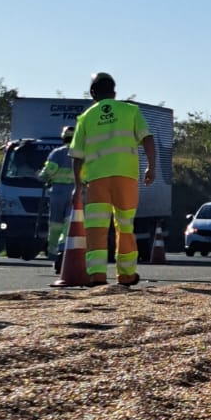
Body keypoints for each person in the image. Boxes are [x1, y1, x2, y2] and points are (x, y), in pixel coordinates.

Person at [70, 73, 156, 288]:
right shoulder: (131, 111)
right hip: (125, 178)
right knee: (125, 226)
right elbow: (148, 138)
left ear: (92, 94)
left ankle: (97, 275)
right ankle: (126, 275)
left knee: (96, 228)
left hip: (97, 180)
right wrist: (151, 167)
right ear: (114, 92)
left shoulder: (86, 117)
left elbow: (77, 157)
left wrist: (78, 186)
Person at [39, 124, 76, 257]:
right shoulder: (81, 152)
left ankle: (53, 250)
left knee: (55, 223)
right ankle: (64, 248)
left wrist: (41, 176)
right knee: (69, 221)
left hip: (57, 192)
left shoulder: (56, 153)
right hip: (74, 191)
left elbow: (48, 172)